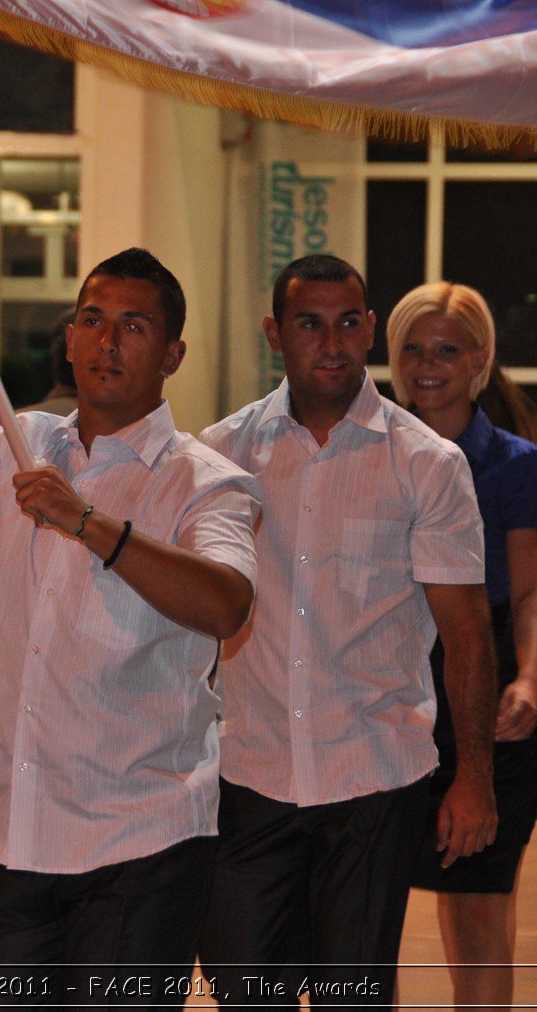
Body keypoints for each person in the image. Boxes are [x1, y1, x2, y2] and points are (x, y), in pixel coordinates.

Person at [0, 207, 260, 1009]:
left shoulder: (205, 479)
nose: (107, 342)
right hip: (13, 833)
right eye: (92, 320)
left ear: (172, 353)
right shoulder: (20, 440)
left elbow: (226, 602)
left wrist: (89, 523)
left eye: (133, 327)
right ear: (68, 338)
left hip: (143, 842)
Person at [197, 256, 496, 1010]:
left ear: (367, 328)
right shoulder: (221, 455)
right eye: (309, 323)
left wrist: (475, 778)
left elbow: (467, 635)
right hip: (249, 772)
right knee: (241, 987)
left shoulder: (427, 464)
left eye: (347, 322)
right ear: (275, 333)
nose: (331, 342)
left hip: (374, 776)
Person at [386, 283, 537, 1012]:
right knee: (367, 909)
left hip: (490, 682)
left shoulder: (517, 463)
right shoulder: (370, 450)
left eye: (447, 350)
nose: (428, 365)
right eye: (412, 349)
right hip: (390, 677)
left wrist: (525, 677)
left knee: (477, 904)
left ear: (481, 360)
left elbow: (533, 590)